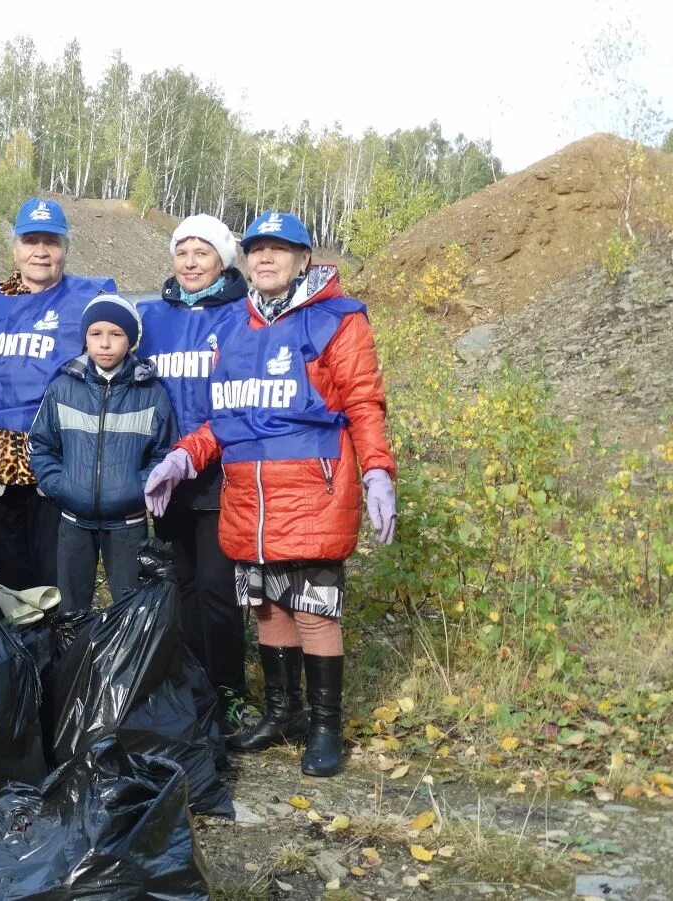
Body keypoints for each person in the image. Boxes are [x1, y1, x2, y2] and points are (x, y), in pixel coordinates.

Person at [150, 211, 397, 777]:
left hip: (312, 488)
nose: (265, 259)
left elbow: (363, 401)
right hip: (247, 494)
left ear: (304, 258)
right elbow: (222, 417)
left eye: (279, 250)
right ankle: (281, 713)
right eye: (257, 249)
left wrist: (377, 471)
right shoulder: (232, 327)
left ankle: (324, 726)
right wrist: (184, 456)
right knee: (265, 605)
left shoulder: (338, 319)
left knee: (314, 609)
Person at [0, 198, 117, 590]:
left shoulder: (91, 303)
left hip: (59, 467)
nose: (41, 251)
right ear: (15, 247)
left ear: (65, 249)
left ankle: (54, 647)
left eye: (51, 241)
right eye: (30, 240)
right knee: (2, 577)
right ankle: (10, 647)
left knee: (54, 576)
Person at [137, 214, 252, 732]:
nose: (190, 262)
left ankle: (230, 690)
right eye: (182, 252)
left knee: (216, 588)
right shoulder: (153, 317)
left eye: (201, 253)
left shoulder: (240, 314)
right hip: (168, 475)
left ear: (223, 259)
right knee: (180, 582)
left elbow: (242, 395)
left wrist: (195, 451)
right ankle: (192, 685)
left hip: (220, 470)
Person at [29, 294, 174, 612]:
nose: (105, 344)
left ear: (131, 341)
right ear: (85, 338)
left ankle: (124, 662)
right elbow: (40, 445)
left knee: (130, 606)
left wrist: (137, 489)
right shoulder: (63, 388)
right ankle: (73, 660)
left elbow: (164, 454)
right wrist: (60, 484)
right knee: (70, 607)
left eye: (116, 334)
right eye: (96, 334)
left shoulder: (151, 393)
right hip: (73, 520)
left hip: (127, 522)